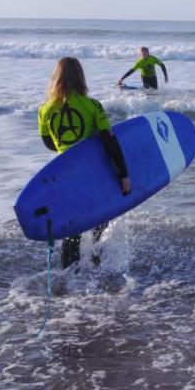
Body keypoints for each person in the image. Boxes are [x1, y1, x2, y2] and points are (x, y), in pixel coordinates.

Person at [39, 57, 132, 269]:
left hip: (64, 174)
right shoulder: (93, 106)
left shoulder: (44, 110)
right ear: (80, 78)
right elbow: (109, 141)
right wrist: (123, 174)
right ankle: (97, 262)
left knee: (72, 229)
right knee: (100, 220)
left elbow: (49, 144)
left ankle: (69, 275)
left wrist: (67, 145)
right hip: (93, 172)